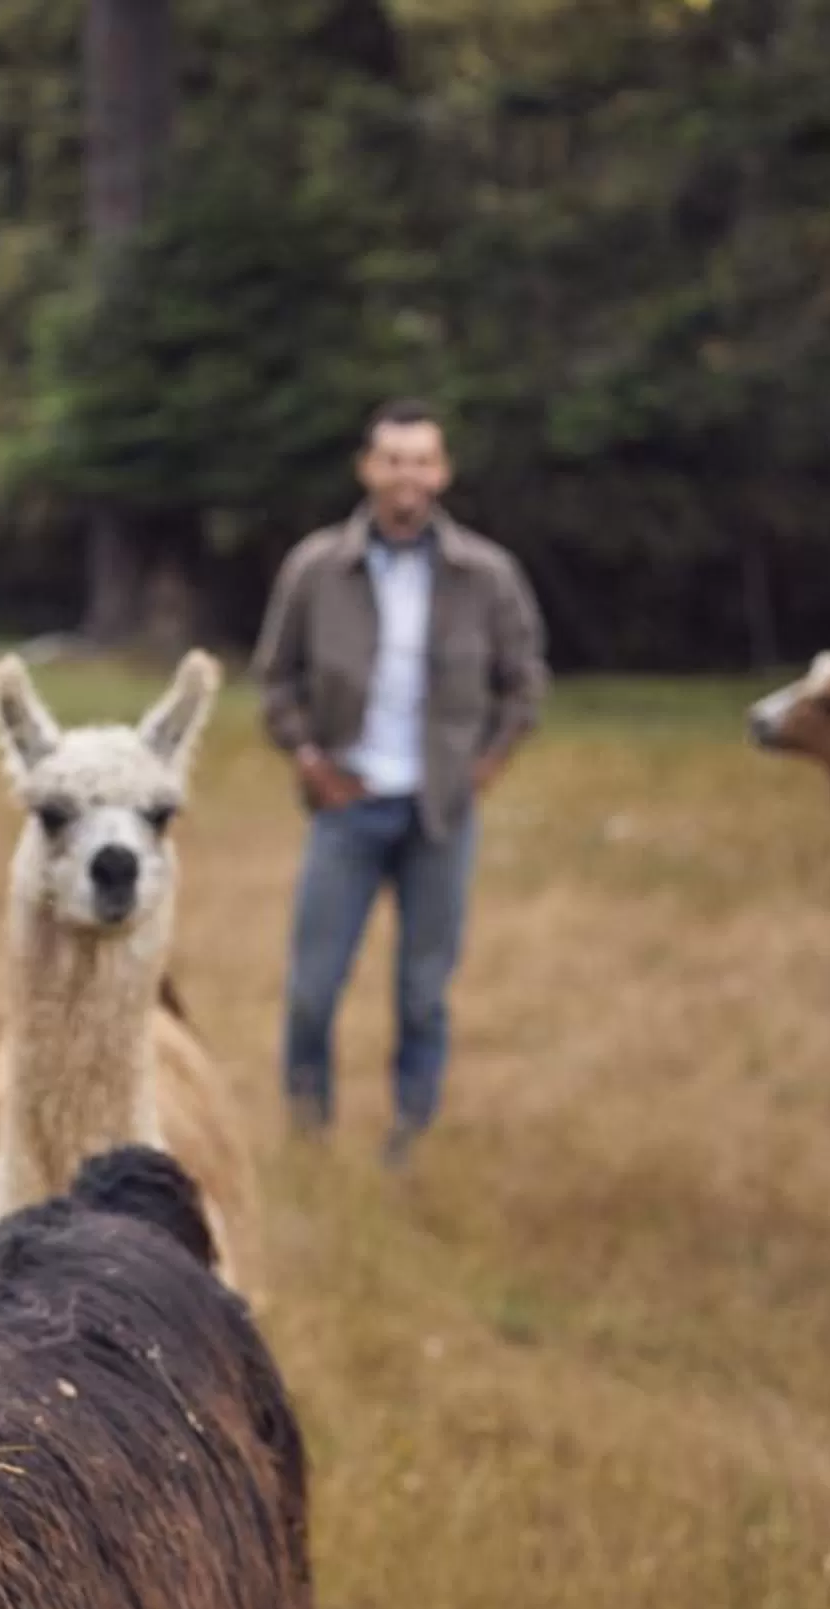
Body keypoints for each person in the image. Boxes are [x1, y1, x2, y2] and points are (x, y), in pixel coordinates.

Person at [254, 400, 548, 1168]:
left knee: (423, 994)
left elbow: (525, 686)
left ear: (441, 472)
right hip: (347, 807)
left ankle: (409, 1141)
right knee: (313, 989)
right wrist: (311, 759)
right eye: (392, 459)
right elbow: (274, 681)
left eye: (421, 460)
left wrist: (482, 769)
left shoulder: (485, 574)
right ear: (368, 469)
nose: (406, 475)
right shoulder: (317, 568)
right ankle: (309, 1134)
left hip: (440, 814)